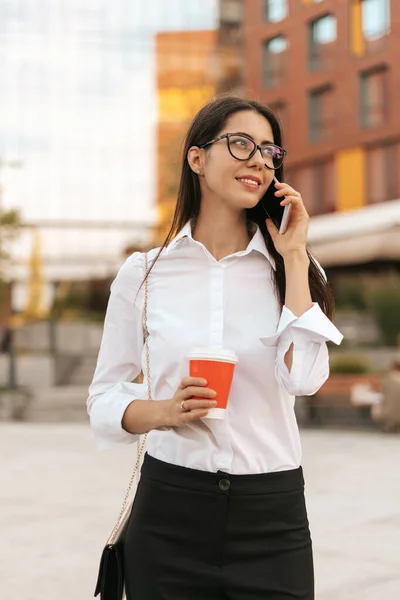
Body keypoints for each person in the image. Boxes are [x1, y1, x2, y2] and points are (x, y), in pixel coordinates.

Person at [88, 95, 343, 600]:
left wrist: (294, 257)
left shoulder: (294, 272)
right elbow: (103, 399)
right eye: (241, 143)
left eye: (270, 151)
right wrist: (162, 410)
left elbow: (305, 379)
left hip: (272, 517)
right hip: (169, 510)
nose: (258, 159)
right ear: (197, 158)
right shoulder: (144, 273)